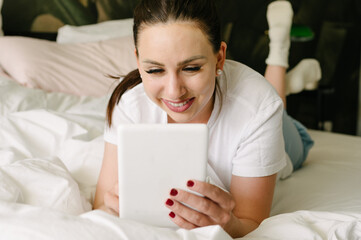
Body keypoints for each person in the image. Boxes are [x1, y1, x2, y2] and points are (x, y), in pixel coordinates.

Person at [93, 0, 317, 237]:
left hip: (287, 134)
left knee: (278, 108)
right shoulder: (129, 104)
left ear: (220, 58)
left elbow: (250, 223)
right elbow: (100, 205)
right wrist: (111, 208)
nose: (173, 91)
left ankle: (278, 56)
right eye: (155, 70)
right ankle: (289, 81)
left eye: (191, 68)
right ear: (138, 62)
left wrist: (229, 224)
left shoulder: (259, 107)